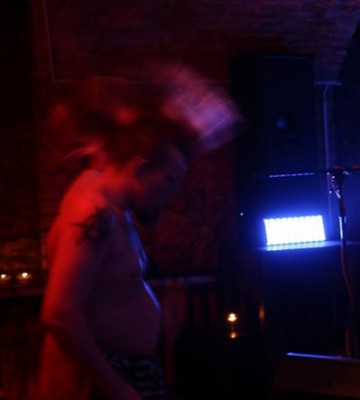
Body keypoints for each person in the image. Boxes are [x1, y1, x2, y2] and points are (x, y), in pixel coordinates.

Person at [37, 69, 242, 399]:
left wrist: (160, 323)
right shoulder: (92, 210)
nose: (175, 193)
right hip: (98, 386)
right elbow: (58, 314)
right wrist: (118, 389)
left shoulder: (118, 209)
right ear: (139, 167)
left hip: (129, 372)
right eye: (170, 180)